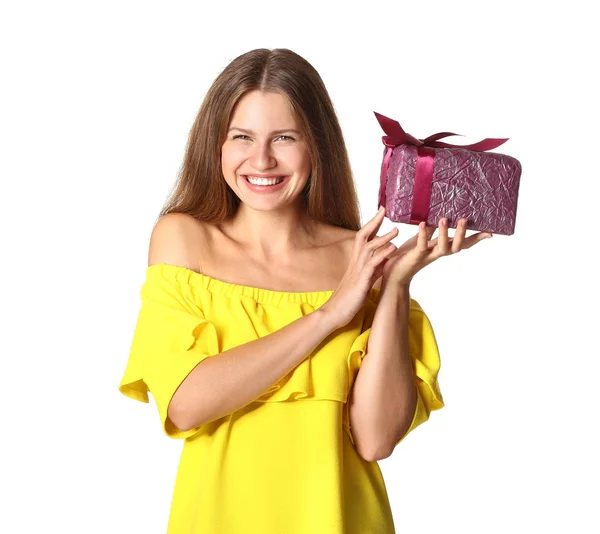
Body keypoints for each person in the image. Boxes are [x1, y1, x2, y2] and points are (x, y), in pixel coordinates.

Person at [118, 48, 492, 534]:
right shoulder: (184, 239)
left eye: (284, 138)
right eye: (242, 137)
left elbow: (376, 440)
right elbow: (186, 404)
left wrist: (396, 284)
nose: (262, 160)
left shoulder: (361, 259)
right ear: (216, 145)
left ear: (317, 146)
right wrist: (328, 315)